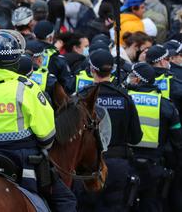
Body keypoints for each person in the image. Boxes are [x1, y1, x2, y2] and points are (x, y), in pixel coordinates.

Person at [0, 29, 77, 212]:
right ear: (16, 60)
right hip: (23, 161)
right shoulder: (27, 89)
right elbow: (47, 134)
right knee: (65, 199)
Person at [77, 50, 142, 212]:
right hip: (117, 164)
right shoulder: (124, 97)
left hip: (88, 166)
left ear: (92, 69)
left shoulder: (82, 97)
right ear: (112, 70)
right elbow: (135, 137)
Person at [126, 62, 182, 212]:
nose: (129, 79)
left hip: (127, 161)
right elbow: (178, 141)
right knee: (151, 204)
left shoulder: (126, 99)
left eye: (131, 76)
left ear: (138, 80)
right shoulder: (166, 105)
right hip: (154, 165)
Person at [34, 20, 74, 93]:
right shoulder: (57, 58)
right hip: (49, 100)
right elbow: (68, 86)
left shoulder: (26, 51)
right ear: (50, 38)